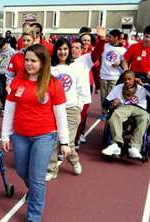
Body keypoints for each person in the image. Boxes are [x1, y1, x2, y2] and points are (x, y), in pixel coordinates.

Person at [2, 44, 70, 222]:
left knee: (37, 177)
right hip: (20, 135)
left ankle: (33, 216)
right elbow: (9, 110)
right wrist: (4, 135)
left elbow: (61, 115)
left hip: (44, 136)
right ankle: (33, 189)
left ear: (43, 62)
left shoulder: (53, 83)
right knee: (22, 171)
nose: (29, 64)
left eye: (33, 60)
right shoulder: (17, 81)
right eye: (26, 60)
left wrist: (64, 141)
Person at [46, 38, 87, 181]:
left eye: (65, 49)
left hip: (71, 109)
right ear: (55, 51)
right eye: (59, 49)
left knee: (68, 142)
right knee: (53, 141)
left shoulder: (76, 67)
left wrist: (78, 106)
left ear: (69, 50)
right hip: (53, 110)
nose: (62, 52)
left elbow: (82, 89)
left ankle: (74, 161)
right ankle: (52, 169)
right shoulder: (49, 68)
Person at [102, 70, 150, 159]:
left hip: (139, 108)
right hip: (123, 108)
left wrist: (143, 84)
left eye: (129, 79)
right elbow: (104, 103)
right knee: (115, 114)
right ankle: (116, 144)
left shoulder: (142, 87)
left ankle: (135, 147)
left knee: (145, 117)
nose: (127, 81)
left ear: (134, 79)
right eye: (124, 79)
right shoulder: (118, 88)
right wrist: (115, 100)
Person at [99, 29, 127, 120]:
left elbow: (126, 61)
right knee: (104, 95)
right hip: (104, 75)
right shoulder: (105, 46)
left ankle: (113, 112)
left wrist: (119, 63)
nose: (108, 39)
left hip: (115, 76)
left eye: (110, 37)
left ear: (116, 37)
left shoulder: (122, 50)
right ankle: (104, 112)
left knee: (114, 95)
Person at [0, 37, 16, 117]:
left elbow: (16, 60)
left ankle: (6, 107)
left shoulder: (11, 51)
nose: (0, 49)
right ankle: (3, 103)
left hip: (8, 75)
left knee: (7, 92)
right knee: (0, 91)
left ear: (5, 44)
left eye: (1, 48)